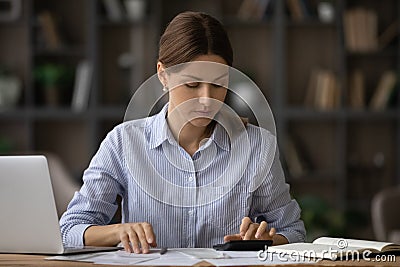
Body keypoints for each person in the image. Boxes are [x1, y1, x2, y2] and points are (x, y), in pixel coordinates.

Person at [60, 11, 305, 254]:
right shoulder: (123, 143)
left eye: (218, 84)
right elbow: (69, 229)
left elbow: (293, 231)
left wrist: (267, 239)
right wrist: (118, 231)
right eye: (192, 84)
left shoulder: (257, 146)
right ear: (162, 75)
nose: (207, 100)